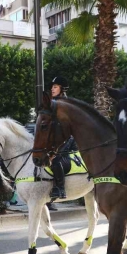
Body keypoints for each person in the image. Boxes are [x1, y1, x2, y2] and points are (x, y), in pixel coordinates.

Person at [46, 76, 78, 211]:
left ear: (62, 89)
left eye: (55, 87)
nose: (52, 89)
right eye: (52, 87)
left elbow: (69, 129)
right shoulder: (52, 103)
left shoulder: (65, 104)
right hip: (55, 141)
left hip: (67, 141)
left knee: (56, 158)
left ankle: (60, 189)